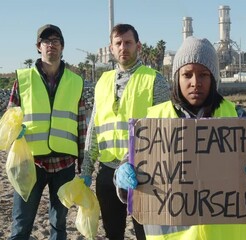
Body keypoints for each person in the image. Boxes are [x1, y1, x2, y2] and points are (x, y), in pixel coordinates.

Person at [113, 36, 246, 239]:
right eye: (187, 74)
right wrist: (122, 174)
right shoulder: (153, 119)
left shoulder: (237, 116)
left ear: (214, 78)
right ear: (177, 78)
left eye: (203, 75)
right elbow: (129, 161)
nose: (195, 83)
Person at [80, 23, 170, 240]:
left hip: (143, 174)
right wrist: (86, 169)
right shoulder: (102, 82)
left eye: (128, 43)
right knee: (113, 233)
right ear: (111, 48)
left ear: (138, 46)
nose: (123, 47)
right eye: (118, 43)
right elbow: (95, 127)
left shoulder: (154, 80)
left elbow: (166, 129)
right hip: (107, 173)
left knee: (146, 234)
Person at [8, 24, 86, 239]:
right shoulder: (23, 79)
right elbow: (9, 119)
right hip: (31, 162)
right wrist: (15, 134)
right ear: (38, 47)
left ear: (62, 47)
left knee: (59, 224)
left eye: (56, 41)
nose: (51, 45)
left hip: (64, 164)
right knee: (21, 223)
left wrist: (82, 163)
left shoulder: (76, 81)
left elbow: (81, 124)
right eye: (46, 41)